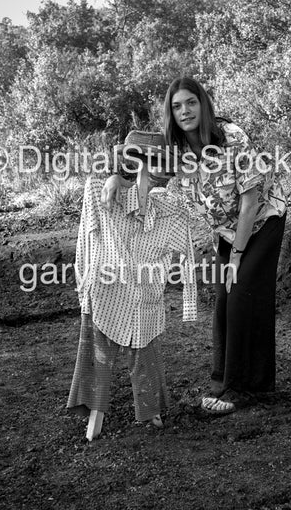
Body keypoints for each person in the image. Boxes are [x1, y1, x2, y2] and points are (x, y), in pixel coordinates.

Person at [101, 77, 286, 415]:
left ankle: (235, 390)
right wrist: (117, 176)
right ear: (170, 114)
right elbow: (145, 168)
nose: (184, 111)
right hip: (230, 233)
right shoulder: (176, 150)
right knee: (226, 300)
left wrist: (238, 257)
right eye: (176, 106)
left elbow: (250, 200)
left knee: (240, 294)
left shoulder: (231, 138)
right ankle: (248, 382)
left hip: (261, 221)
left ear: (203, 104)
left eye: (190, 102)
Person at [68, 133, 197, 439]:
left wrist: (189, 304)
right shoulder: (100, 193)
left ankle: (151, 410)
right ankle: (95, 413)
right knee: (98, 355)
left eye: (161, 166)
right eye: (150, 164)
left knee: (146, 355)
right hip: (106, 293)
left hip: (144, 297)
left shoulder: (171, 209)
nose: (157, 174)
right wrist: (84, 281)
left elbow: (189, 254)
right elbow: (86, 240)